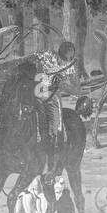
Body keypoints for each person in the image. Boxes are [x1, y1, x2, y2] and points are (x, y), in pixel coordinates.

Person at [32, 40, 78, 174]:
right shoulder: (51, 57)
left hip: (43, 94)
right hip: (43, 94)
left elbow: (76, 89)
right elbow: (76, 90)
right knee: (54, 131)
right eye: (70, 55)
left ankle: (50, 163)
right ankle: (50, 163)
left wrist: (62, 84)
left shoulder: (51, 57)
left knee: (53, 130)